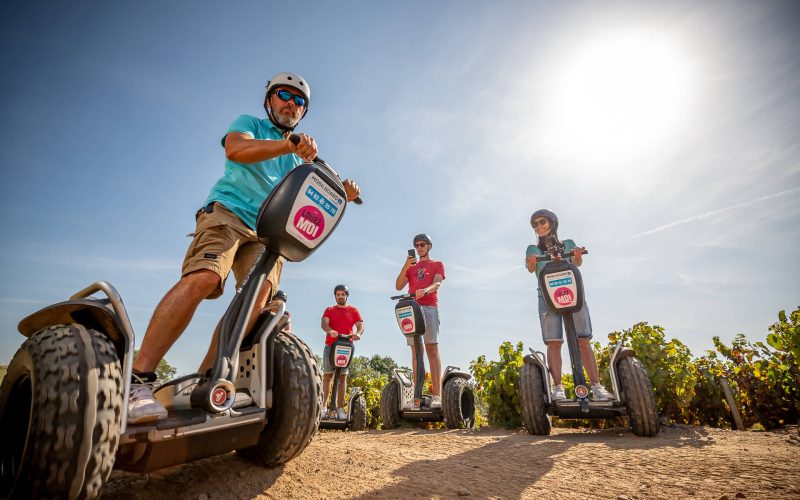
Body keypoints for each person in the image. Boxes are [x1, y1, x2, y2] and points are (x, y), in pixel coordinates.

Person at [127, 72, 361, 424]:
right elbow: (235, 150)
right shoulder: (249, 124)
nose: (291, 104)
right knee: (204, 277)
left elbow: (311, 193)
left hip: (267, 230)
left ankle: (204, 381)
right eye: (284, 95)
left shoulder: (299, 159)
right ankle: (138, 379)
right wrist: (289, 145)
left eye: (299, 102)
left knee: (257, 299)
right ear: (269, 100)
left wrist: (343, 190)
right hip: (229, 212)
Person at [525, 209, 613, 401]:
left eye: (541, 222)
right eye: (535, 225)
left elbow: (577, 262)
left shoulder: (568, 244)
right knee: (554, 343)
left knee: (583, 341)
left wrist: (578, 254)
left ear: (552, 222)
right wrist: (532, 261)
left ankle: (597, 387)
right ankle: (558, 388)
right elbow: (531, 268)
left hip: (572, 293)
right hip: (547, 297)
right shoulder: (533, 249)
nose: (538, 226)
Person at [395, 234, 445, 408]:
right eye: (416, 245)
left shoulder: (437, 264)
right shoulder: (411, 267)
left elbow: (437, 284)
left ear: (429, 246)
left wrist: (426, 290)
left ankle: (437, 395)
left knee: (431, 349)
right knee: (416, 352)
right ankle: (417, 395)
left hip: (429, 307)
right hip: (411, 309)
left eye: (422, 244)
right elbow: (399, 285)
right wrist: (405, 265)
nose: (419, 248)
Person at [321, 284, 364, 419]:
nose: (340, 297)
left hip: (346, 347)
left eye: (342, 294)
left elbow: (360, 325)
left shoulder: (353, 310)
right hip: (330, 346)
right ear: (335, 296)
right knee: (327, 377)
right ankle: (323, 408)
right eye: (338, 295)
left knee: (342, 378)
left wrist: (358, 333)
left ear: (346, 296)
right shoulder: (329, 309)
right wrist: (330, 331)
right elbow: (324, 323)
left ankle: (340, 408)